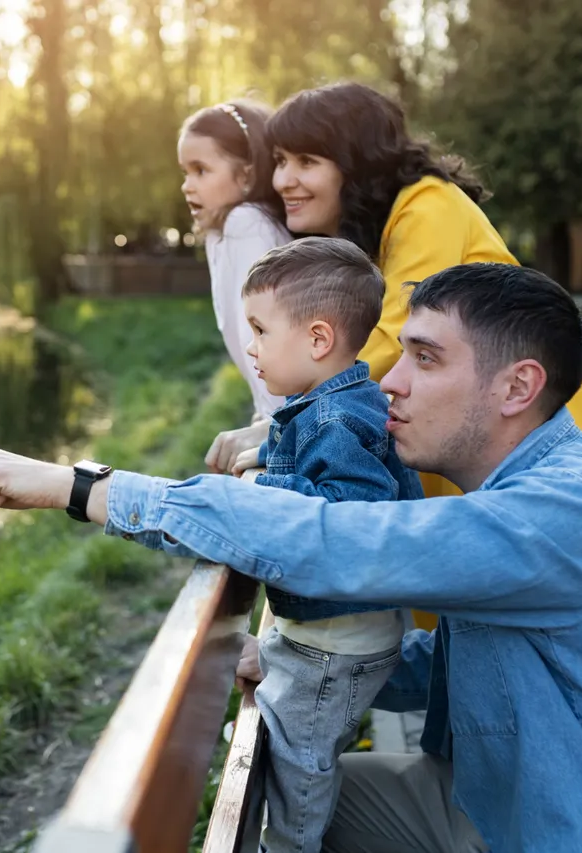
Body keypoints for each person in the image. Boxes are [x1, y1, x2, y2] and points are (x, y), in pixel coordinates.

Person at [0, 263, 582, 852]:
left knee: (287, 808)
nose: (390, 384)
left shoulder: (578, 510)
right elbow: (469, 659)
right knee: (274, 794)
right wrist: (291, 654)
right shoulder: (519, 499)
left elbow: (338, 540)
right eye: (398, 351)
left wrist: (75, 485)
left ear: (517, 388)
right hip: (493, 808)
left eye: (424, 357)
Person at [205, 82, 582, 492]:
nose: (283, 180)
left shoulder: (427, 205)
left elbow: (391, 337)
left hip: (550, 435)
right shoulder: (370, 237)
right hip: (493, 436)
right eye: (280, 161)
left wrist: (293, 419)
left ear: (357, 165)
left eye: (307, 162)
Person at [228, 237, 423, 852]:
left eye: (260, 330)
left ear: (317, 340)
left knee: (299, 768)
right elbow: (323, 464)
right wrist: (269, 452)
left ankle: (287, 847)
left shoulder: (335, 419)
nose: (251, 348)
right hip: (331, 635)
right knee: (291, 750)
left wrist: (266, 480)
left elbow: (353, 516)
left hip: (335, 643)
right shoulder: (338, 404)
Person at [178, 99, 292, 422]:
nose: (187, 186)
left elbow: (262, 335)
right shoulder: (222, 231)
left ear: (246, 175)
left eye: (201, 170)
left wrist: (273, 419)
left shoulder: (247, 224)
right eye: (185, 172)